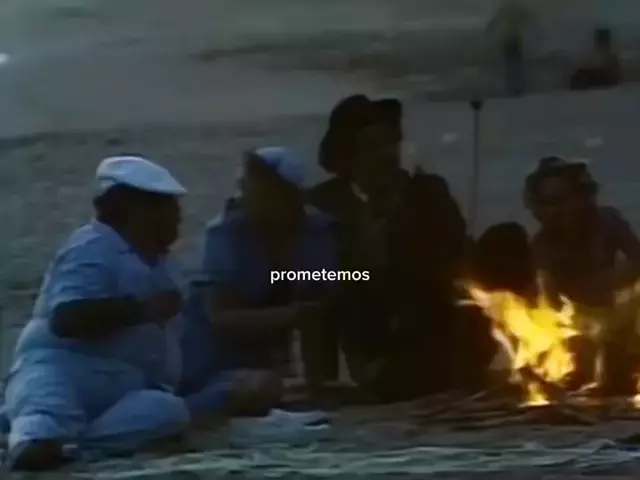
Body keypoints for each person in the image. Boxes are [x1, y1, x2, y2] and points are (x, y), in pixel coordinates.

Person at [3, 156, 190, 471]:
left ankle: (69, 448)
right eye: (165, 207)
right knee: (45, 417)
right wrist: (141, 310)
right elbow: (66, 319)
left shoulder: (163, 265)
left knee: (167, 411)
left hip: (124, 384)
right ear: (133, 209)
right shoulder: (90, 248)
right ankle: (36, 443)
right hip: (64, 371)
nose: (177, 217)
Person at [309, 95, 475, 401]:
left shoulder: (428, 193)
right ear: (347, 156)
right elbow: (296, 277)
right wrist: (359, 267)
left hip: (433, 320)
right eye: (371, 146)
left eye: (390, 143)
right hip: (370, 331)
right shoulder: (323, 206)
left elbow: (461, 255)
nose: (385, 155)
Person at [178, 147, 335, 442]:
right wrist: (292, 315)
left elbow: (316, 305)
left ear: (293, 196)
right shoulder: (224, 235)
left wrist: (318, 384)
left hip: (266, 356)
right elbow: (220, 316)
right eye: (249, 189)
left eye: (265, 192)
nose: (250, 199)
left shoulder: (316, 233)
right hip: (206, 356)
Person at [524, 156, 640, 393]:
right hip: (576, 323)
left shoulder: (608, 223)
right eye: (548, 203)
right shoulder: (542, 245)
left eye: (563, 199)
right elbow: (548, 296)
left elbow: (637, 258)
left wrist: (618, 283)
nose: (560, 210)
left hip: (617, 312)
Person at [485, 0, 539, 96]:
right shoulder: (521, 8)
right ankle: (518, 88)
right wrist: (537, 33)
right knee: (517, 64)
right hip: (516, 39)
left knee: (509, 64)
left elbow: (495, 20)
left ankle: (510, 88)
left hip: (507, 39)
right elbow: (532, 22)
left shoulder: (506, 7)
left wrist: (489, 30)